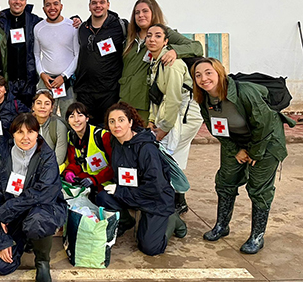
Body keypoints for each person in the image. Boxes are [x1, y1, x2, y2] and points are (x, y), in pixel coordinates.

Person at [192, 58, 295, 254]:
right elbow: (216, 129)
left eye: (208, 72)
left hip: (267, 142)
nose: (203, 78)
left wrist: (255, 152)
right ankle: (222, 226)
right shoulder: (204, 99)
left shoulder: (244, 92)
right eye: (198, 75)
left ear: (220, 73)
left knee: (259, 189)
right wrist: (236, 150)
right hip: (236, 142)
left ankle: (257, 236)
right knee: (225, 181)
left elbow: (264, 124)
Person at [0, 113, 67, 282]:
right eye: (20, 132)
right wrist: (2, 238)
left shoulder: (47, 157)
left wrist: (6, 211)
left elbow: (43, 193)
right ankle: (24, 239)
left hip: (42, 209)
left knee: (37, 221)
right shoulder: (4, 158)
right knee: (0, 265)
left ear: (38, 133)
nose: (25, 137)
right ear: (13, 134)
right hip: (13, 215)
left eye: (30, 132)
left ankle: (42, 262)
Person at [95, 102, 187, 256]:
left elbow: (155, 187)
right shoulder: (115, 141)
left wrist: (121, 190)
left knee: (150, 248)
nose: (116, 125)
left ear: (130, 122)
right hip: (132, 193)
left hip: (155, 199)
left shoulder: (147, 149)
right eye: (112, 121)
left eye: (121, 120)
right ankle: (126, 222)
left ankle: (172, 219)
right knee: (103, 197)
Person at [145, 24, 203, 213]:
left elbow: (173, 98)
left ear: (166, 41)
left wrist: (164, 129)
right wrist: (152, 120)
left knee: (169, 154)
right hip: (172, 112)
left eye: (158, 36)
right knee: (173, 155)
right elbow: (155, 95)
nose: (152, 39)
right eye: (149, 36)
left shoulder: (171, 64)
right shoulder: (154, 63)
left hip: (185, 113)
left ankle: (175, 201)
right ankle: (177, 200)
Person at [120, 0, 203, 122]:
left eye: (145, 11)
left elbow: (197, 47)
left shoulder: (164, 33)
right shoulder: (129, 38)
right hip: (125, 100)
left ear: (154, 13)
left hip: (147, 103)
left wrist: (175, 51)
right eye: (137, 12)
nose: (141, 15)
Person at [73, 0, 127, 126]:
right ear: (89, 6)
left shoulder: (120, 26)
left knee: (108, 129)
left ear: (108, 5)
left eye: (102, 2)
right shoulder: (82, 28)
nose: (98, 6)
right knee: (87, 130)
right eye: (94, 3)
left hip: (109, 91)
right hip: (85, 91)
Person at [33, 0, 79, 116]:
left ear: (61, 6)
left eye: (55, 4)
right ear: (43, 9)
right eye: (48, 5)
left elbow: (77, 55)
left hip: (67, 81)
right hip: (46, 80)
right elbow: (36, 54)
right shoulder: (38, 28)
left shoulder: (72, 26)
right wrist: (42, 74)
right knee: (42, 116)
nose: (52, 8)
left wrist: (64, 76)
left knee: (68, 116)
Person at [0, 0, 43, 107]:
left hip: (28, 81)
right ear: (9, 1)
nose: (18, 2)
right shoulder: (0, 20)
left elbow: (53, 24)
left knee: (27, 119)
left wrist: (74, 20)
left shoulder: (34, 20)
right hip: (7, 80)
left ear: (25, 2)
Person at [62, 102, 113, 193]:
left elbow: (114, 165)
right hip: (87, 178)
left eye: (80, 115)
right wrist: (70, 171)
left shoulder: (102, 136)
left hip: (106, 182)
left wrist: (94, 180)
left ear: (87, 118)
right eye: (72, 116)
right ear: (68, 121)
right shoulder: (71, 136)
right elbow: (75, 161)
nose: (76, 120)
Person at [32, 89, 68, 166]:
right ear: (33, 107)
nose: (42, 107)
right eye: (38, 103)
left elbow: (59, 159)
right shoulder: (25, 125)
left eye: (47, 104)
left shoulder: (59, 127)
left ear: (52, 108)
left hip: (51, 169)